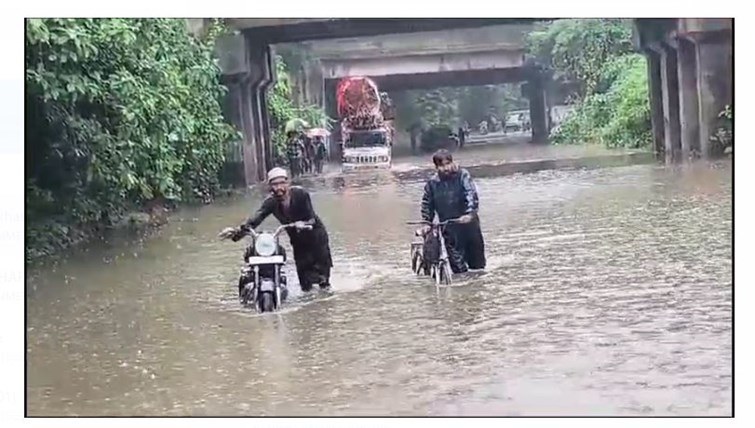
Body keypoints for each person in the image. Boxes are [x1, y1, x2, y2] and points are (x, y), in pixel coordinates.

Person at [222, 168, 333, 292]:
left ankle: (325, 300)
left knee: (322, 279)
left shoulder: (301, 194)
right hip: (298, 243)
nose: (279, 187)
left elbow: (311, 218)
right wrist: (237, 232)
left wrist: (302, 223)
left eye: (282, 183)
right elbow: (256, 219)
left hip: (316, 239)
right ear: (270, 186)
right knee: (305, 283)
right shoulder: (271, 202)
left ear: (288, 183)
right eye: (275, 184)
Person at [420, 149, 486, 274]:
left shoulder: (463, 175)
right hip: (449, 228)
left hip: (469, 226)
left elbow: (470, 194)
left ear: (452, 162)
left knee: (478, 265)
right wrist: (426, 223)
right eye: (441, 165)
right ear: (436, 167)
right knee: (458, 267)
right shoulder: (432, 183)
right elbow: (427, 204)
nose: (445, 168)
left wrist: (469, 213)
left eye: (447, 164)